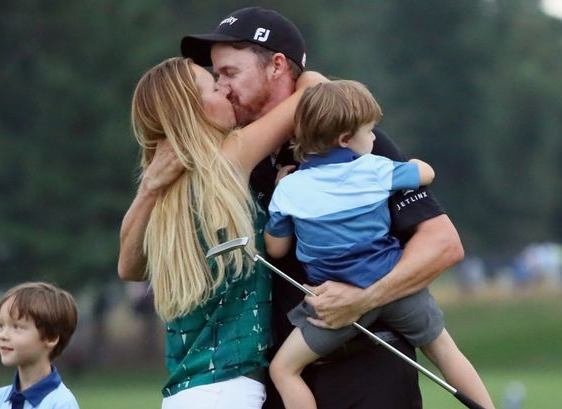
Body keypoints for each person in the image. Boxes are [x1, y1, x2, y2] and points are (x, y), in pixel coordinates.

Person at [178, 7, 466, 409]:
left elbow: (443, 244)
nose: (222, 86)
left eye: (230, 72)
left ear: (276, 66)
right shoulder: (239, 155)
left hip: (373, 371)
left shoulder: (353, 141)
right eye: (217, 76)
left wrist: (364, 298)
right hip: (285, 379)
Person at [264, 80, 495, 409]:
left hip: (335, 308)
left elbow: (275, 249)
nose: (374, 139)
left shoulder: (289, 190)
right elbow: (425, 173)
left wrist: (279, 191)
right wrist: (411, 164)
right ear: (345, 140)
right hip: (399, 292)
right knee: (444, 350)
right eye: (370, 131)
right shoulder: (375, 169)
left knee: (284, 369)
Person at [119, 55, 324, 409]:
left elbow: (129, 269)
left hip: (189, 392)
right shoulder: (227, 160)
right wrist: (302, 71)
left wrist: (148, 189)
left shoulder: (170, 192)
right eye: (214, 86)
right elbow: (313, 93)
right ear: (192, 111)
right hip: (228, 392)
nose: (226, 90)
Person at [0, 282, 79, 409]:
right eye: (1, 326)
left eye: (16, 327)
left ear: (51, 337)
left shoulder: (61, 404)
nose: (3, 335)